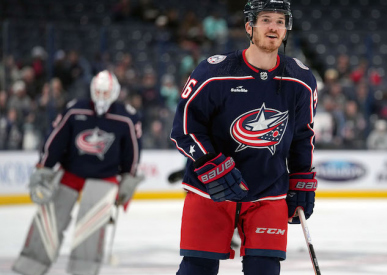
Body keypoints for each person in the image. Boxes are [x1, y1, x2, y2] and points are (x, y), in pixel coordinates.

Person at [170, 1, 318, 274]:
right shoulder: (214, 72)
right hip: (210, 191)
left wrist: (301, 176)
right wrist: (209, 163)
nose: (274, 27)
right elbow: (185, 128)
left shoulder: (301, 79)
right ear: (249, 27)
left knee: (264, 269)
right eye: (266, 20)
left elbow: (301, 135)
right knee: (196, 269)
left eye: (280, 21)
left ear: (286, 30)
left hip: (268, 193)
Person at [12, 70, 143, 275]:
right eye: (98, 92)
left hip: (104, 177)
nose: (101, 97)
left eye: (105, 92)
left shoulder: (127, 117)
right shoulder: (75, 110)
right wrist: (44, 167)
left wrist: (129, 176)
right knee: (49, 221)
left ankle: (84, 270)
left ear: (115, 92)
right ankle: (30, 266)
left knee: (89, 230)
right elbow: (55, 140)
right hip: (70, 173)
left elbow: (132, 151)